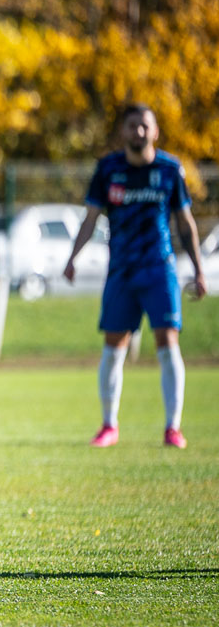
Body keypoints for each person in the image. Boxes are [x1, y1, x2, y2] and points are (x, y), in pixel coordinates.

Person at [64, 103, 207, 448]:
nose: (138, 132)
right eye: (132, 126)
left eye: (144, 126)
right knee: (114, 346)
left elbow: (185, 223)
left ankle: (173, 428)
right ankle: (108, 426)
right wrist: (72, 258)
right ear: (123, 131)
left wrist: (199, 270)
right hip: (122, 272)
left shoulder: (170, 169)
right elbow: (90, 218)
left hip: (159, 269)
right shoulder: (108, 169)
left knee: (167, 343)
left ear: (155, 131)